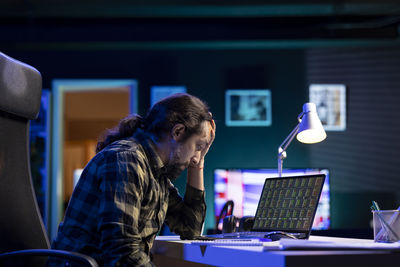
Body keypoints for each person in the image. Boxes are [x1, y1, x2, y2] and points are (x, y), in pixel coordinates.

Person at [51, 93, 215, 266]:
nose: (196, 156)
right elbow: (122, 254)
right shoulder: (126, 160)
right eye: (197, 146)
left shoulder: (155, 172)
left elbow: (190, 228)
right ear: (178, 132)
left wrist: (198, 165)